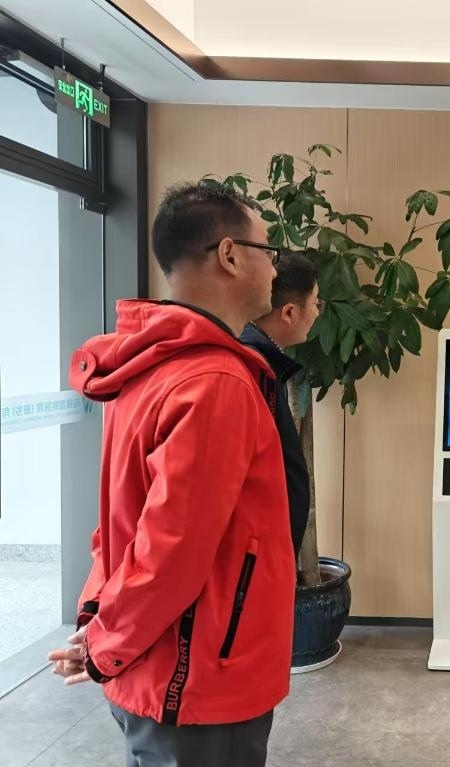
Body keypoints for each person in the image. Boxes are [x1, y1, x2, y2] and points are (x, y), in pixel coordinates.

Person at [47, 180, 295, 767]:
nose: (274, 268)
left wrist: (104, 626)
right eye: (268, 251)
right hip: (200, 673)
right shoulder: (213, 381)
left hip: (163, 664)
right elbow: (171, 549)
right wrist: (107, 643)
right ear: (230, 255)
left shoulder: (150, 364)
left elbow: (122, 523)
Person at [241, 251, 321, 559]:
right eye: (315, 304)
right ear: (289, 312)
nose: (317, 314)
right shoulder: (249, 369)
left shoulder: (263, 360)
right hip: (256, 558)